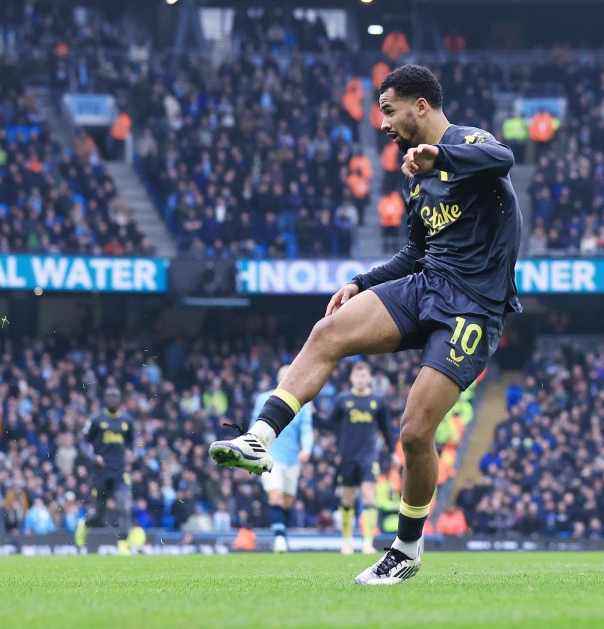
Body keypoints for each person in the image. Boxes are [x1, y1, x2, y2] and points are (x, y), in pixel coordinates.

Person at [210, 64, 522, 584]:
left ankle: (406, 549)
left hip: (473, 307)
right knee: (326, 330)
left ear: (420, 105)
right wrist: (360, 281)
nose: (383, 123)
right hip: (426, 286)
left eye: (388, 110)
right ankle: (259, 436)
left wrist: (439, 155)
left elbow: (503, 158)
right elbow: (415, 252)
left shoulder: (468, 141)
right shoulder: (416, 178)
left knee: (415, 431)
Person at [326, 361, 394, 555]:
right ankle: (347, 542)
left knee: (369, 496)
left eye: (364, 376)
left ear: (369, 379)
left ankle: (367, 542)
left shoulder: (377, 401)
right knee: (347, 499)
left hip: (368, 456)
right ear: (352, 378)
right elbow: (331, 424)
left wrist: (393, 451)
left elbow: (386, 429)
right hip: (347, 457)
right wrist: (314, 415)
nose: (361, 379)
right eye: (358, 376)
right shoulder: (342, 400)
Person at [248, 367, 313, 553]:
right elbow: (256, 424)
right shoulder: (264, 399)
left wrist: (307, 449)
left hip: (293, 460)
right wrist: (254, 452)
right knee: (275, 495)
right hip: (271, 457)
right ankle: (279, 539)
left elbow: (307, 429)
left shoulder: (303, 404)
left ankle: (282, 534)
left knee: (287, 501)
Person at [75, 386, 135, 554]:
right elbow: (82, 443)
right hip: (101, 472)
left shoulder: (127, 421)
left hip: (120, 472)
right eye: (109, 396)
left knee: (125, 507)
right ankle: (85, 524)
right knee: (99, 514)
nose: (112, 399)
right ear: (104, 399)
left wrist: (132, 454)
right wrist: (94, 458)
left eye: (115, 396)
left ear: (120, 399)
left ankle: (123, 544)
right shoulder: (96, 419)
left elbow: (132, 444)